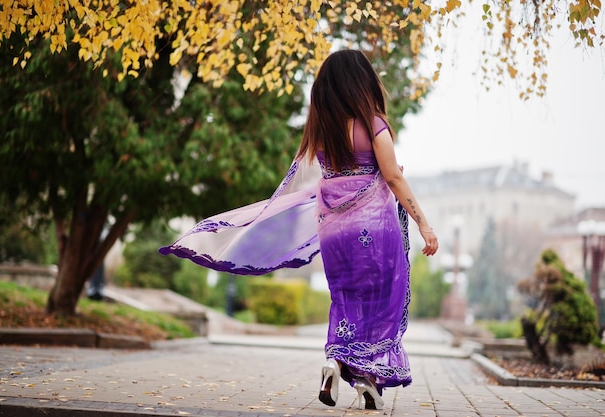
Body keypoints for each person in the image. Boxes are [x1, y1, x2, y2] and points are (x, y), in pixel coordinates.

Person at [159, 49, 438, 410]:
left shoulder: (322, 133)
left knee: (346, 298)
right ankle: (365, 373)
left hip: (334, 230)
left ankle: (338, 364)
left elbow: (320, 178)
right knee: (381, 297)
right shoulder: (374, 126)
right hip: (373, 229)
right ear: (362, 83)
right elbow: (393, 177)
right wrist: (424, 224)